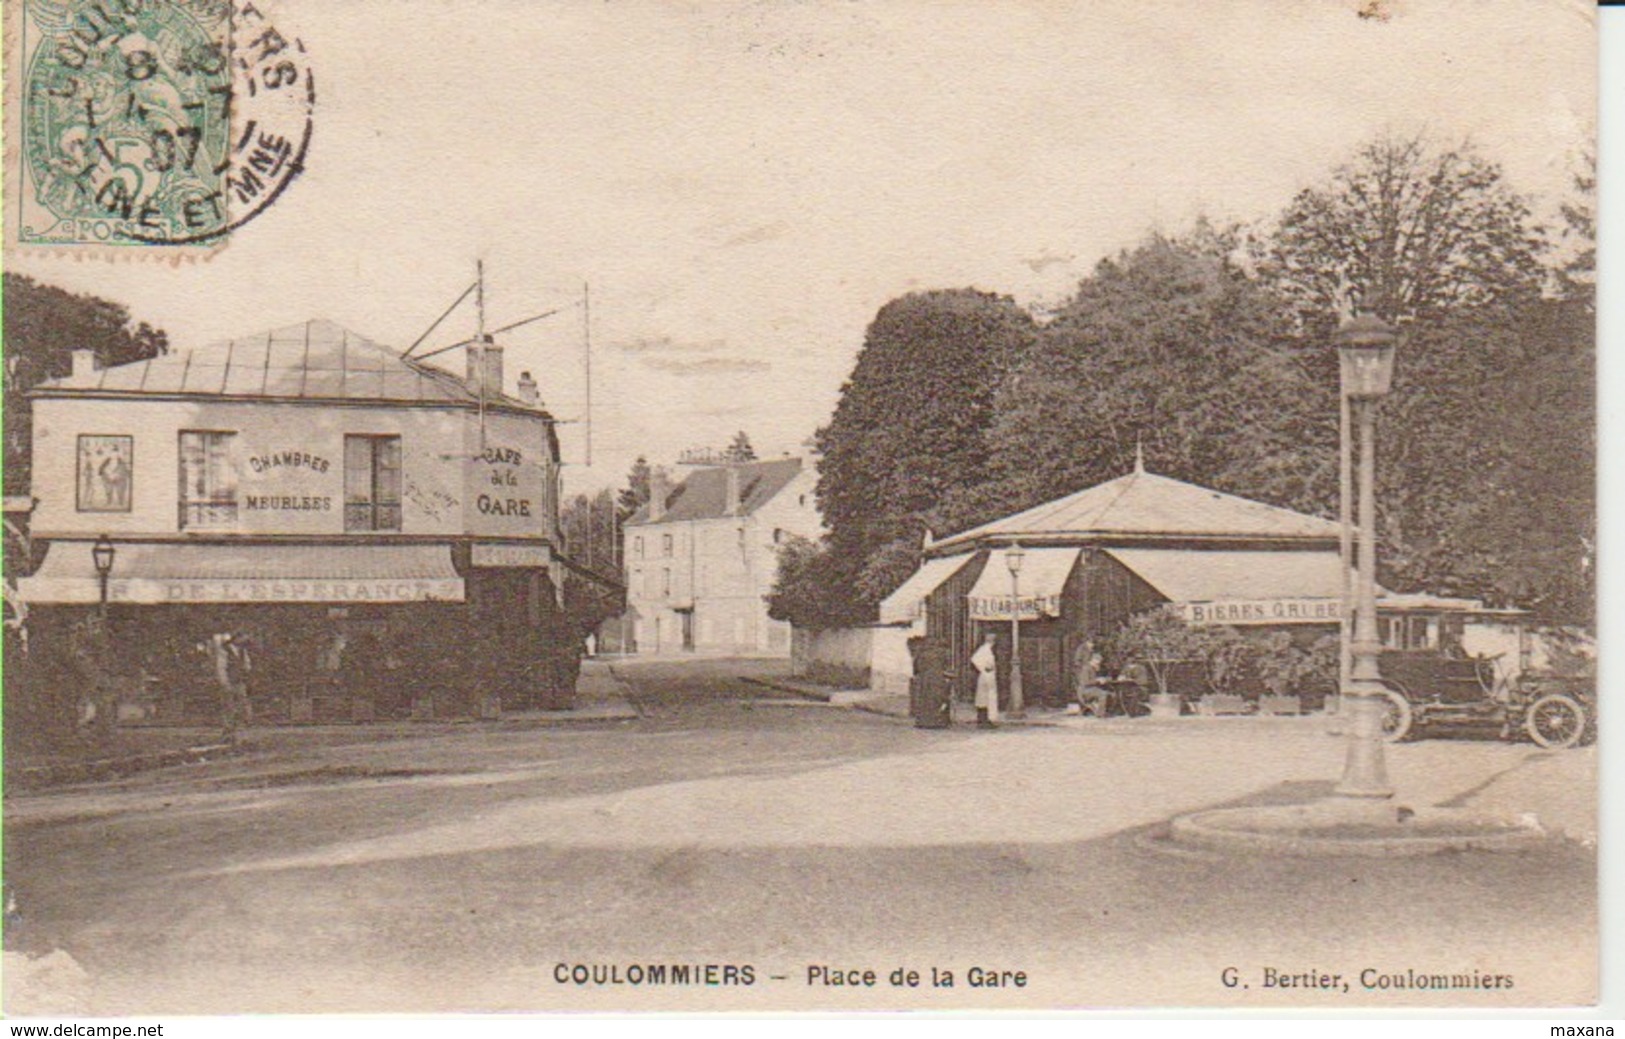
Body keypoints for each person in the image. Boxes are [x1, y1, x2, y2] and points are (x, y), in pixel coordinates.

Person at [210, 631, 252, 744]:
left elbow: (247, 665)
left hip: (240, 682)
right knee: (229, 707)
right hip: (229, 682)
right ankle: (228, 733)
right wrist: (224, 682)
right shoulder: (225, 650)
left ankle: (241, 733)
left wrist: (245, 672)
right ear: (237, 638)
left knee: (242, 706)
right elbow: (221, 667)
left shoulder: (243, 651)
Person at [1073, 639, 1111, 717]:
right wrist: (1097, 681)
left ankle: (1103, 711)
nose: (1098, 665)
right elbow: (1086, 682)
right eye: (1097, 663)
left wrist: (1103, 679)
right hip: (1085, 690)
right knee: (1103, 694)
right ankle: (1100, 714)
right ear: (1093, 660)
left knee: (1109, 693)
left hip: (1091, 688)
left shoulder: (1093, 668)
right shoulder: (1086, 668)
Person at [971, 632, 1000, 729]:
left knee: (986, 698)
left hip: (988, 675)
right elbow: (974, 659)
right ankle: (983, 720)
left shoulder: (988, 649)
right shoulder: (984, 649)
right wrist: (983, 668)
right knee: (984, 698)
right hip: (985, 675)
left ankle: (986, 720)